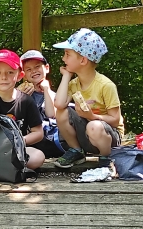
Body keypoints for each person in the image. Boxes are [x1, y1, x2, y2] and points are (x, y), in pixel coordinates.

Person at [52, 28, 124, 168]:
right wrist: (66, 76)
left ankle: (106, 158)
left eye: (67, 54)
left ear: (83, 60)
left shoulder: (105, 85)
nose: (63, 58)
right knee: (62, 112)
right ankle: (76, 150)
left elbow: (115, 120)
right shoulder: (74, 84)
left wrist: (91, 116)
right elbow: (59, 104)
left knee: (94, 126)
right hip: (88, 133)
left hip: (108, 137)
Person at [0, 49, 46, 170]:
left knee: (38, 156)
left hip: (14, 149)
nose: (4, 77)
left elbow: (38, 133)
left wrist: (19, 141)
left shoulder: (26, 100)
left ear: (19, 76)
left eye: (10, 72)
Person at [18, 50, 67, 158]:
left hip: (54, 139)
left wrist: (46, 89)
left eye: (37, 67)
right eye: (28, 69)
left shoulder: (53, 94)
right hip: (32, 140)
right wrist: (19, 97)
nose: (34, 71)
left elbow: (51, 114)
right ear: (24, 75)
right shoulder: (21, 93)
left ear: (47, 68)